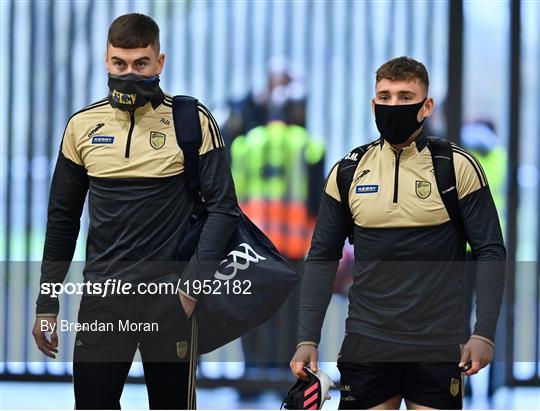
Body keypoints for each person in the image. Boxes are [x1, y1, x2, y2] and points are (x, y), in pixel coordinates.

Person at [31, 13, 239, 410]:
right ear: (105, 61)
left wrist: (191, 290)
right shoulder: (82, 127)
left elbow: (224, 211)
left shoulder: (191, 122)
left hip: (171, 299)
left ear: (159, 63)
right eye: (119, 64)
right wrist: (46, 303)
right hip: (102, 299)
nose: (129, 73)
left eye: (141, 64)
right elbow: (62, 219)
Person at [290, 56, 506, 410]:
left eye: (406, 97)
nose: (394, 105)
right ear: (373, 104)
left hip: (437, 345)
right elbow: (322, 258)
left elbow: (491, 251)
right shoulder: (348, 172)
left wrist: (483, 334)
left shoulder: (457, 167)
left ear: (426, 106)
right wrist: (306, 339)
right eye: (385, 97)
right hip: (367, 343)